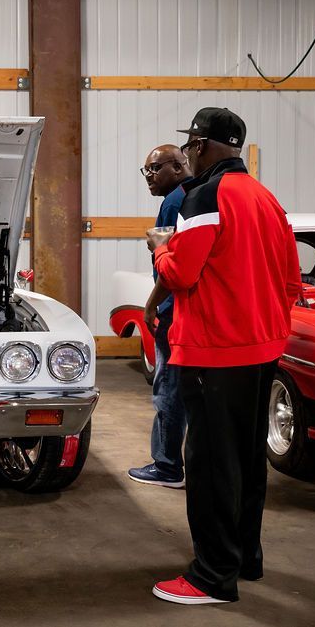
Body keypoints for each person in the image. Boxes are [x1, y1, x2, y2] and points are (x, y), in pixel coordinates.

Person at [147, 108, 301, 604]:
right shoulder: (266, 198)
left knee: (212, 464)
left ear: (201, 144)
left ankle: (211, 576)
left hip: (214, 352)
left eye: (191, 145)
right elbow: (292, 282)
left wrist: (159, 247)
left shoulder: (203, 196)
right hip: (262, 350)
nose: (189, 153)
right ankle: (244, 558)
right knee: (247, 460)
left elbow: (179, 275)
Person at [127, 145, 192, 489]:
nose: (149, 177)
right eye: (146, 171)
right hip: (192, 313)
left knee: (167, 387)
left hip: (172, 312)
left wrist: (152, 305)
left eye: (154, 169)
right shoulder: (197, 196)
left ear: (179, 166)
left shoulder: (173, 201)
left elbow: (171, 266)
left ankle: (167, 466)